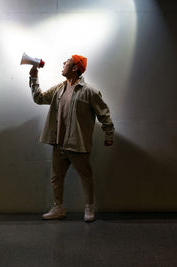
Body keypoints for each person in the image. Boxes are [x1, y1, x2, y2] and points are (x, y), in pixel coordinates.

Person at [29, 55, 114, 222]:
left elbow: (104, 114)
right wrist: (33, 77)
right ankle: (58, 208)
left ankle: (89, 207)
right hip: (59, 143)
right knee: (56, 177)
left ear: (75, 68)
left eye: (66, 62)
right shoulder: (59, 89)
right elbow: (38, 98)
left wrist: (108, 134)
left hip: (77, 144)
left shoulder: (89, 91)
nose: (63, 63)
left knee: (86, 175)